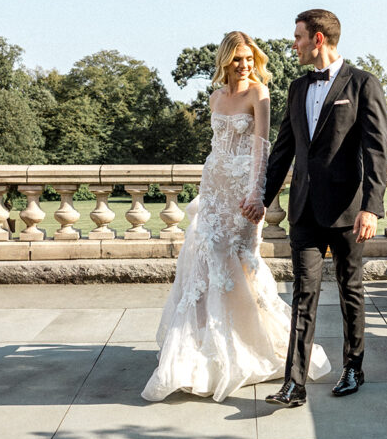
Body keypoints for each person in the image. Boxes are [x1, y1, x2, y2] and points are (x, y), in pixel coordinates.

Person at [141, 31, 330, 403]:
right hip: (214, 188)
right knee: (205, 261)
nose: (244, 65)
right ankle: (200, 346)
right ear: (226, 62)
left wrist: (257, 196)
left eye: (248, 58)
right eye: (237, 59)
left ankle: (249, 342)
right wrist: (208, 190)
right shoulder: (215, 97)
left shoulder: (259, 94)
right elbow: (215, 149)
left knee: (239, 263)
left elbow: (263, 150)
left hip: (244, 192)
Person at [260, 9, 387, 408]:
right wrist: (261, 200)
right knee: (303, 294)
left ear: (318, 39)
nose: (293, 44)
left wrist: (371, 207)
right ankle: (294, 383)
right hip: (304, 210)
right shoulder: (297, 88)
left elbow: (375, 150)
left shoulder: (364, 84)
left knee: (351, 289)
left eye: (297, 36)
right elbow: (283, 151)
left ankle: (354, 367)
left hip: (349, 211)